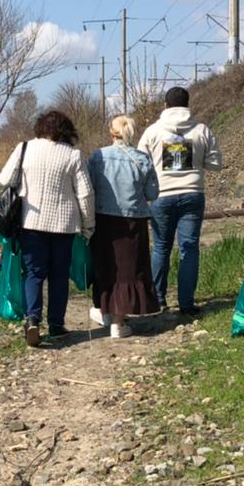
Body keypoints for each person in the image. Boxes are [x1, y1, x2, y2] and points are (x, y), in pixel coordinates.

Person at [0, 110, 95, 347]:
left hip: (31, 221)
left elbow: (4, 179)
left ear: (40, 127)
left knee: (34, 273)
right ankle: (56, 324)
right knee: (59, 275)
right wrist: (88, 225)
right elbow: (85, 194)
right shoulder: (73, 155)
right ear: (67, 130)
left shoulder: (24, 148)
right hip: (64, 224)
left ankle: (32, 319)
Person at [137, 86, 223, 317]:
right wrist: (197, 158)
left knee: (161, 248)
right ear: (188, 105)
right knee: (189, 248)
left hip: (161, 196)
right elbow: (216, 163)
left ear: (165, 106)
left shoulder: (152, 131)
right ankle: (186, 303)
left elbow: (139, 163)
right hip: (193, 194)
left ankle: (158, 299)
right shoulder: (201, 130)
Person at [88, 115, 160, 338]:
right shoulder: (141, 159)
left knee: (106, 266)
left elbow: (89, 187)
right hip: (132, 220)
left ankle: (107, 313)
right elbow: (152, 193)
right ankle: (118, 323)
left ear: (112, 133)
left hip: (102, 219)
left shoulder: (98, 156)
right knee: (127, 270)